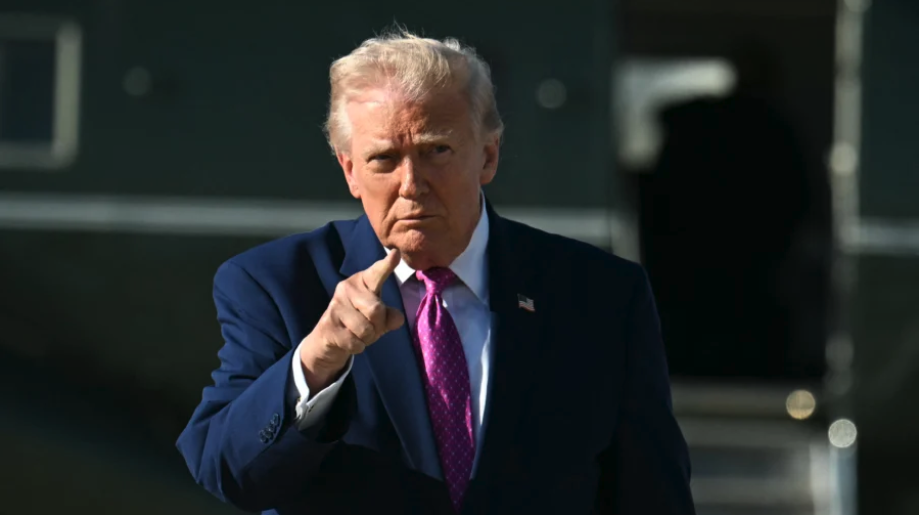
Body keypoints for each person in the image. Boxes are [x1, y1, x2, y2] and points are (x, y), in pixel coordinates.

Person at [177, 30, 694, 515]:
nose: (411, 183)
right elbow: (228, 472)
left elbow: (651, 493)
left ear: (488, 155)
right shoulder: (275, 284)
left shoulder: (597, 293)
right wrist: (316, 361)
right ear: (349, 170)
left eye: (436, 151)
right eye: (383, 159)